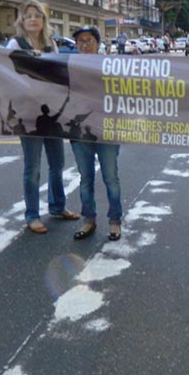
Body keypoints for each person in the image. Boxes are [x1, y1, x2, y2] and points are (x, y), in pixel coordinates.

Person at [7, 0, 79, 234]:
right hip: (28, 115)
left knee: (57, 162)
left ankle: (58, 206)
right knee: (33, 166)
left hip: (51, 113)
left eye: (37, 15)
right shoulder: (15, 44)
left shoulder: (51, 45)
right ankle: (32, 215)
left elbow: (58, 73)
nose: (33, 20)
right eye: (28, 16)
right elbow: (7, 71)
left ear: (44, 20)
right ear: (22, 21)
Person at [68, 26, 123, 241]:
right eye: (80, 41)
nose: (84, 44)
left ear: (98, 44)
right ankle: (88, 219)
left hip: (107, 130)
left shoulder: (112, 66)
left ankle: (115, 220)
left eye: (89, 40)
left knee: (111, 177)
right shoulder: (69, 65)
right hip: (80, 132)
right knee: (85, 178)